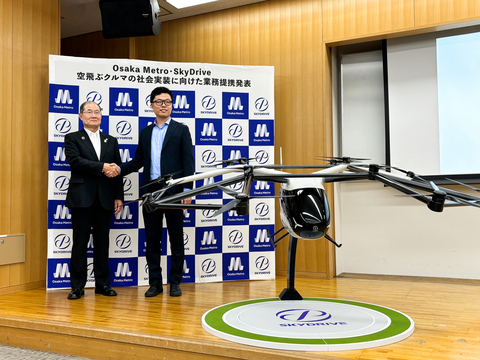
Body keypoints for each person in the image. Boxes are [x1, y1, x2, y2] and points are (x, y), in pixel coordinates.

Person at [111, 86, 194, 298]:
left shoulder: (181, 129)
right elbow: (139, 161)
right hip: (150, 193)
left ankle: (175, 282)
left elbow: (188, 161)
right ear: (152, 105)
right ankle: (155, 282)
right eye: (159, 101)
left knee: (176, 238)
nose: (163, 105)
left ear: (172, 105)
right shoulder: (145, 132)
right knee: (152, 238)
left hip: (174, 191)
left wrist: (187, 190)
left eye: (167, 101)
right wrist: (120, 169)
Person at [64, 101, 124, 300]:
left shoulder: (111, 140)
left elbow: (117, 170)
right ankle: (77, 287)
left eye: (97, 111)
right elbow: (75, 161)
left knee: (102, 244)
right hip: (82, 198)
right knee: (79, 244)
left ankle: (103, 285)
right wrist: (102, 167)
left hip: (105, 199)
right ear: (80, 116)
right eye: (89, 112)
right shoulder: (72, 138)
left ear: (101, 115)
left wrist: (118, 196)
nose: (93, 115)